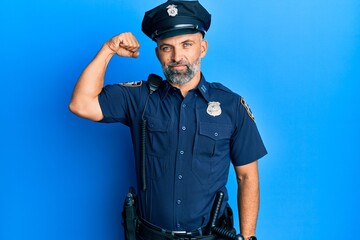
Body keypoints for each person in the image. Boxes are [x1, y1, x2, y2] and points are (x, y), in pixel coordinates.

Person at [69, 1, 267, 239]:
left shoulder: (231, 106)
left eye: (186, 44)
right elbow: (80, 104)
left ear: (202, 48)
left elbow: (247, 177)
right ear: (157, 53)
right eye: (166, 48)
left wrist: (249, 237)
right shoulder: (139, 98)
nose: (177, 57)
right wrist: (108, 50)